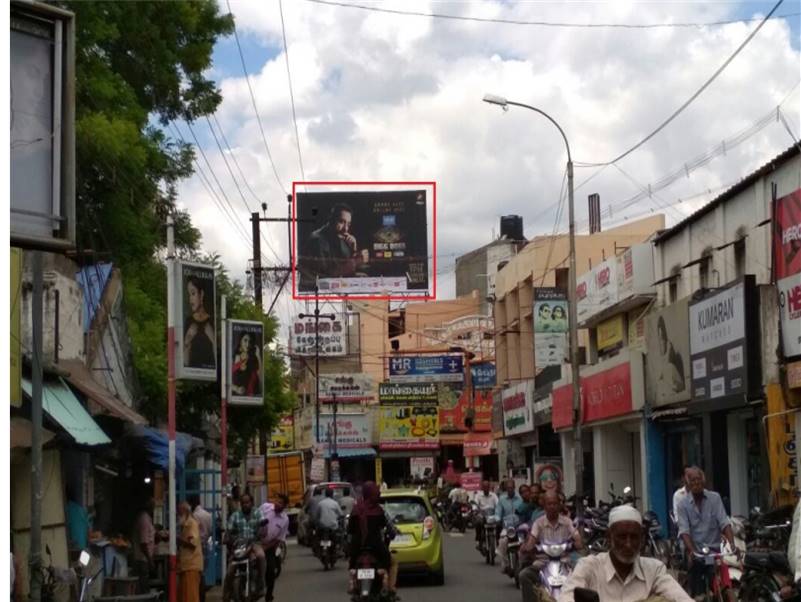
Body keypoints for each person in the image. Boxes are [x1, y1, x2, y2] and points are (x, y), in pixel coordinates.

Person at [559, 505, 691, 602]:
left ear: (642, 539)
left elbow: (680, 597)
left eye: (634, 537)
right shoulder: (589, 566)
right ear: (609, 538)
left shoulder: (654, 570)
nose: (628, 544)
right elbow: (567, 597)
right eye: (622, 537)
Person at [676, 467, 737, 599]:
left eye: (699, 480)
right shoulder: (682, 504)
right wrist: (692, 551)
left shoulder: (715, 498)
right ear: (688, 484)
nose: (696, 483)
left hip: (714, 550)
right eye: (693, 480)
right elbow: (684, 531)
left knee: (724, 581)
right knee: (698, 592)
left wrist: (732, 544)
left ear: (704, 482)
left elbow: (724, 522)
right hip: (695, 551)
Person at [519, 491, 584, 602]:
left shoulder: (567, 522)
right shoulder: (538, 523)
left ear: (559, 505)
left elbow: (577, 539)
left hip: (565, 562)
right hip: (543, 562)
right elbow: (531, 541)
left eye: (555, 503)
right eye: (549, 504)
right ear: (544, 506)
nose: (552, 506)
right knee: (524, 575)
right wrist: (529, 547)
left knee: (583, 574)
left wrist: (577, 543)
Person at [347, 482, 396, 597]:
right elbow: (390, 528)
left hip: (357, 548)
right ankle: (390, 588)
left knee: (351, 565)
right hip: (376, 548)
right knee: (393, 562)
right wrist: (393, 535)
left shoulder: (355, 510)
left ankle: (353, 584)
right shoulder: (379, 510)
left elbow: (349, 531)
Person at [303, 204, 368, 282]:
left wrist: (354, 249)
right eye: (341, 222)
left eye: (348, 224)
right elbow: (324, 277)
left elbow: (345, 266)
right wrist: (355, 262)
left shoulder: (340, 236)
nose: (346, 229)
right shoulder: (317, 240)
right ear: (330, 219)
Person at [224, 493, 265, 601]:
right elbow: (229, 530)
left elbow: (263, 526)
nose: (245, 505)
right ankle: (226, 594)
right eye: (243, 503)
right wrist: (227, 537)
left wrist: (261, 532)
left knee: (260, 556)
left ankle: (261, 584)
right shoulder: (235, 515)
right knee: (230, 570)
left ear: (251, 502)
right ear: (240, 504)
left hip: (254, 543)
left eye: (247, 502)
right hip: (239, 545)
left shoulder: (258, 512)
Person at [259, 495, 290, 602]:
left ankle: (269, 595)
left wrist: (265, 547)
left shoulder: (285, 520)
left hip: (269, 546)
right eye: (277, 501)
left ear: (285, 506)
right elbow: (255, 518)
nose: (277, 504)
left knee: (271, 571)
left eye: (281, 503)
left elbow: (279, 539)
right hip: (255, 541)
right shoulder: (265, 507)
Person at [183, 276, 215, 369]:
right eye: (189, 294)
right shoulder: (188, 322)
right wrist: (187, 342)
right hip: (190, 377)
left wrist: (212, 339)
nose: (190, 299)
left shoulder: (212, 322)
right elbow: (185, 363)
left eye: (193, 293)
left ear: (201, 294)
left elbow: (218, 361)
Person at [496, 479, 524, 575]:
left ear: (514, 488)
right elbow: (498, 512)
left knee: (524, 542)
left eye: (511, 488)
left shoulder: (520, 499)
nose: (510, 490)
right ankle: (505, 563)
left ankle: (523, 563)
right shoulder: (502, 499)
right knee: (502, 542)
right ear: (506, 489)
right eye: (508, 488)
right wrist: (497, 519)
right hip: (507, 528)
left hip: (520, 527)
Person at [178, 501, 203, 602]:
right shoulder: (185, 524)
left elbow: (192, 543)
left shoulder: (192, 524)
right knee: (185, 596)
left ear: (185, 511)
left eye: (179, 512)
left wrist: (179, 540)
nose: (178, 515)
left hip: (192, 565)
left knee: (191, 597)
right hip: (185, 565)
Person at [189, 496, 212, 602]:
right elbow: (211, 530)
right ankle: (202, 595)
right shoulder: (208, 515)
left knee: (197, 573)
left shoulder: (194, 516)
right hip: (205, 544)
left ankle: (199, 596)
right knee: (202, 571)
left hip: (197, 546)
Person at [132, 498, 156, 594]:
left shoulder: (146, 518)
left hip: (143, 558)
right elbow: (143, 543)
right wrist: (150, 560)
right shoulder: (144, 519)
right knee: (143, 585)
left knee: (143, 584)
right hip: (142, 559)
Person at [656, 315, 685, 395]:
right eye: (659, 339)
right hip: (665, 392)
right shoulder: (658, 358)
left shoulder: (669, 349)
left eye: (662, 338)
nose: (661, 342)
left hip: (674, 388)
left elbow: (679, 384)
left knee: (669, 367)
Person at [231, 332, 262, 397]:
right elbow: (225, 383)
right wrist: (236, 389)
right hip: (235, 398)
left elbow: (261, 379)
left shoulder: (252, 360)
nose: (247, 344)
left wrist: (258, 356)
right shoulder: (233, 358)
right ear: (240, 341)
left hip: (251, 398)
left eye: (249, 342)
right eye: (245, 340)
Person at [473, 480, 499, 549]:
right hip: (482, 515)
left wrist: (498, 511)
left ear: (489, 487)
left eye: (487, 487)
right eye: (484, 487)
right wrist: (475, 509)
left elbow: (498, 504)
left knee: (500, 524)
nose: (486, 488)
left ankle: (498, 540)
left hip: (492, 515)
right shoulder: (478, 496)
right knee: (478, 522)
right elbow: (475, 504)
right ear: (482, 488)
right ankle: (478, 540)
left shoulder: (494, 495)